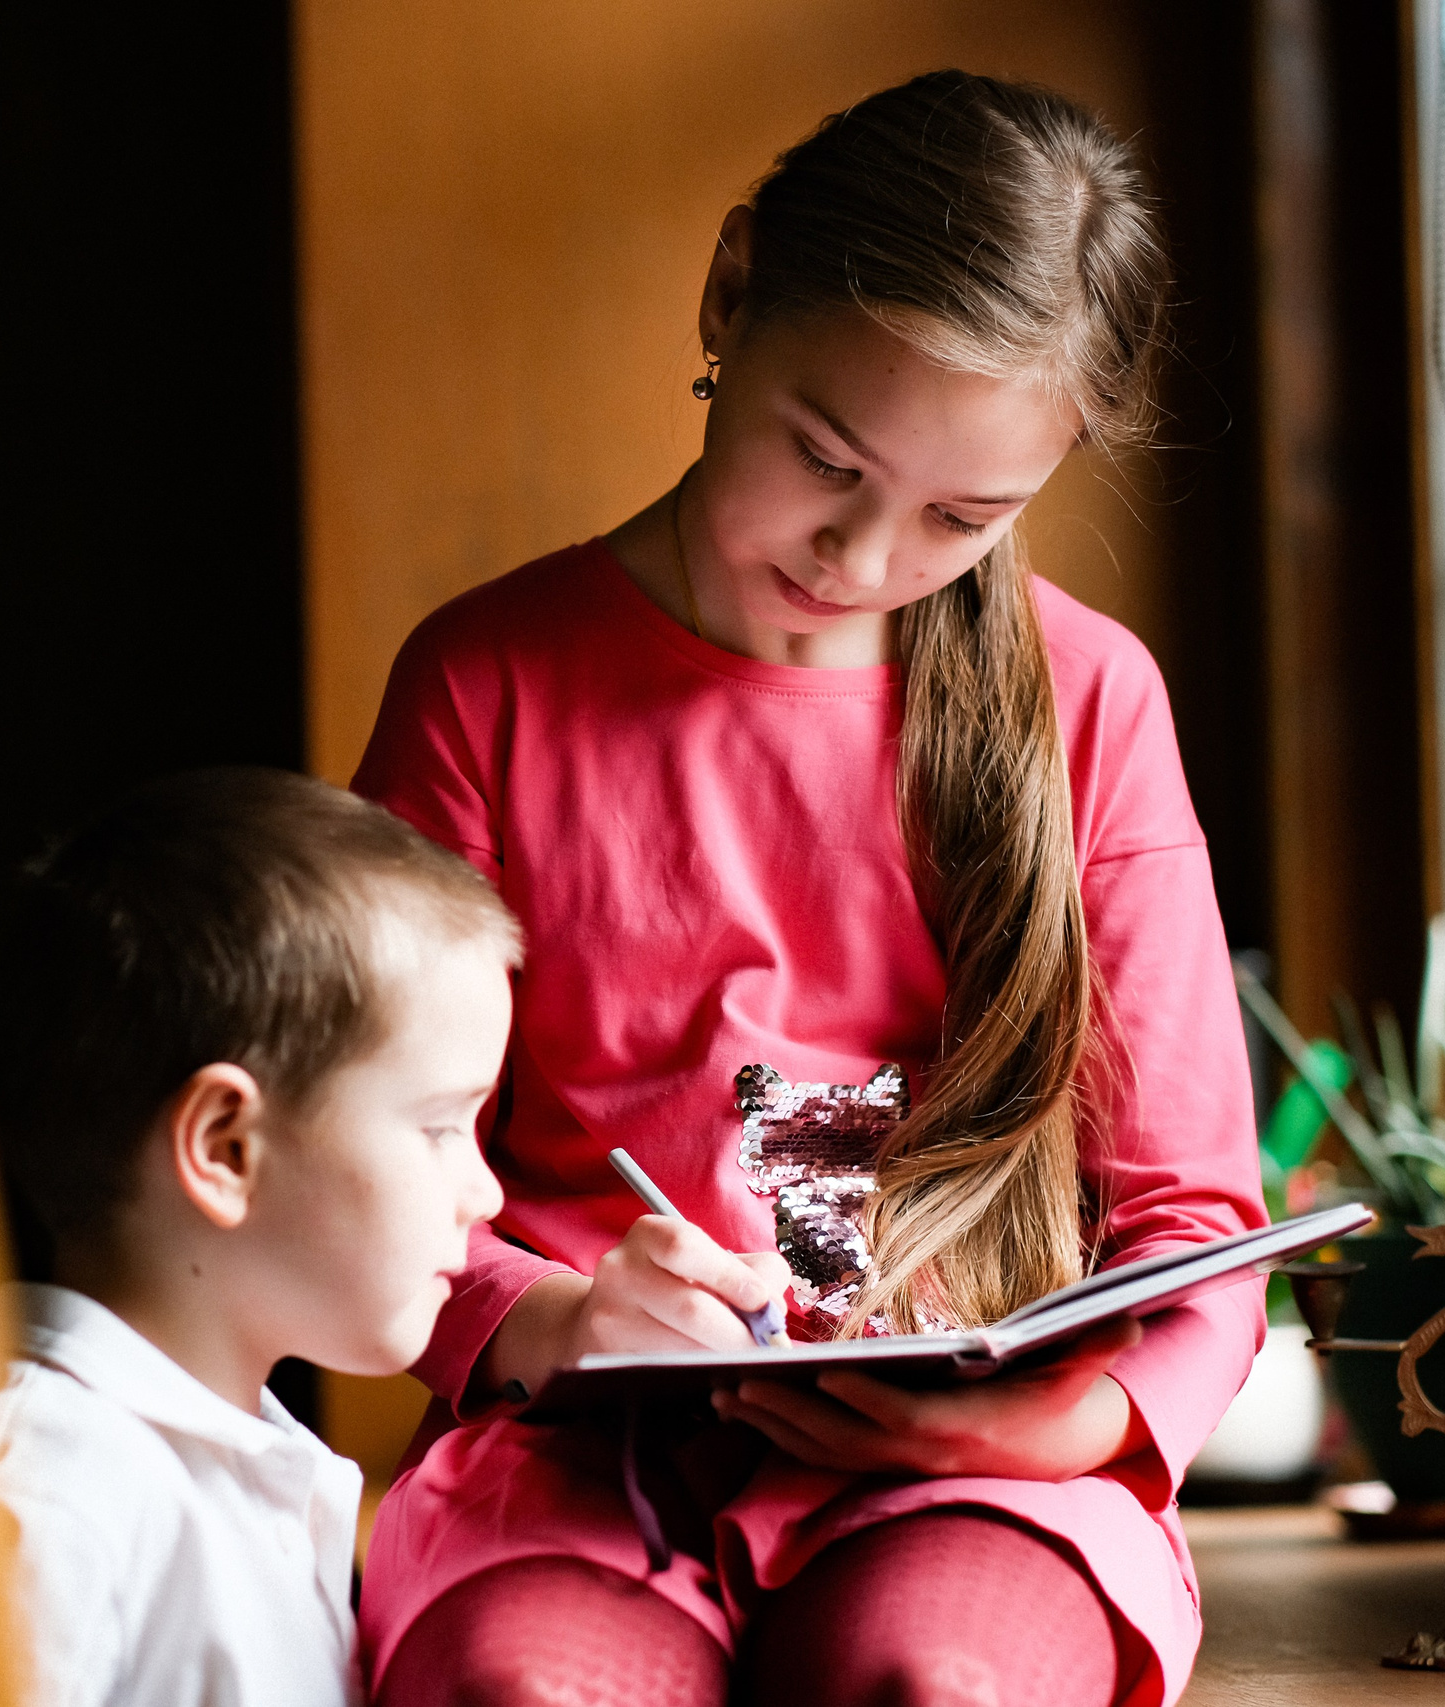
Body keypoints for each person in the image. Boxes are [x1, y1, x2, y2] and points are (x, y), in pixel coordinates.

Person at [348, 72, 1264, 1707]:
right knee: (530, 1689)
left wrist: (1045, 1422)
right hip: (580, 1459)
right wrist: (552, 1317)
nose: (859, 554)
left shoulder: (1089, 701)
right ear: (728, 293)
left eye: (961, 519)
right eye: (826, 457)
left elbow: (1199, 1228)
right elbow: (363, 1172)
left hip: (977, 1475)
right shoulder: (487, 681)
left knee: (940, 1676)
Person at [0, 768, 519, 1707]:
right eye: (439, 1127)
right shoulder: (48, 1494)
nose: (485, 1190)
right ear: (226, 1147)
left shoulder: (249, 1467)